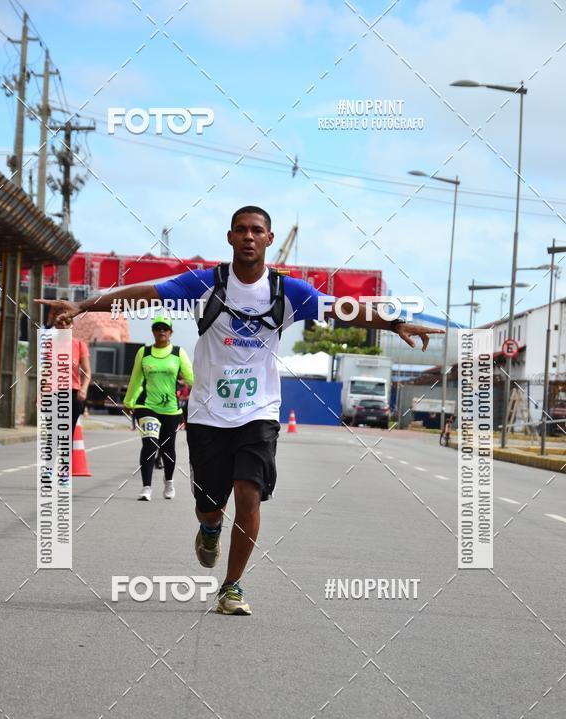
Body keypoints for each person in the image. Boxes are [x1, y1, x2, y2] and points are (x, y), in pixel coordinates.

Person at [38, 206, 443, 616]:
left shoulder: (289, 293)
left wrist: (396, 325)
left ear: (269, 239)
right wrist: (85, 305)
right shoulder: (204, 284)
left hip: (259, 411)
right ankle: (209, 529)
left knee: (249, 494)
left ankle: (231, 587)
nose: (249, 236)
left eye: (257, 231)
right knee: (209, 505)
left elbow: (343, 308)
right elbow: (144, 293)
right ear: (230, 238)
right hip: (208, 413)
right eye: (241, 230)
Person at [123, 314, 193, 501]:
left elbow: (191, 377)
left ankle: (168, 482)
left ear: (170, 332)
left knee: (167, 447)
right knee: (150, 444)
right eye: (157, 328)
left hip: (171, 408)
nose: (161, 331)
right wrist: (129, 401)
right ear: (153, 331)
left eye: (165, 329)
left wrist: (205, 395)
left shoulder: (178, 353)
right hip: (146, 406)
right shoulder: (144, 353)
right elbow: (136, 378)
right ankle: (146, 487)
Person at [48, 309, 91, 435]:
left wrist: (83, 389)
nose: (64, 326)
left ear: (71, 325)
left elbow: (87, 372)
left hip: (73, 394)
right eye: (61, 324)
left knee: (67, 434)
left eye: (67, 323)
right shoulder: (49, 345)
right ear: (56, 326)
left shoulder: (79, 345)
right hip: (54, 393)